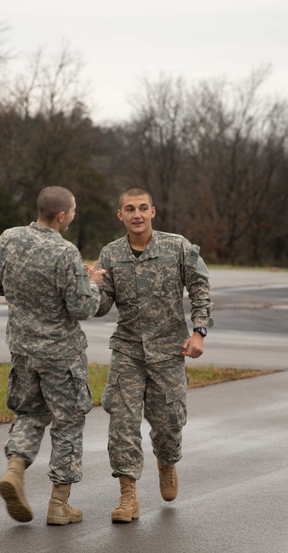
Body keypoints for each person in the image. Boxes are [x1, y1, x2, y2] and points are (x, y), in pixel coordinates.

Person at [0, 186, 105, 525]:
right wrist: (91, 281)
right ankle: (58, 505)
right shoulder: (65, 252)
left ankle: (14, 469)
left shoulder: (8, 238)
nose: (74, 215)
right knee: (68, 422)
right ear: (62, 215)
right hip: (60, 356)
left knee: (30, 413)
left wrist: (26, 288)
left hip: (22, 350)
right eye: (74, 210)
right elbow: (82, 307)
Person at [94, 187, 213, 523]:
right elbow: (101, 307)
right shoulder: (110, 254)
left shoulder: (177, 246)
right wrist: (90, 285)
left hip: (168, 350)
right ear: (120, 215)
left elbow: (200, 286)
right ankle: (128, 496)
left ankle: (167, 460)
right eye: (129, 209)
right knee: (122, 423)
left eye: (142, 208)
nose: (136, 214)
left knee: (169, 424)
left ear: (153, 212)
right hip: (128, 350)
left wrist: (199, 332)